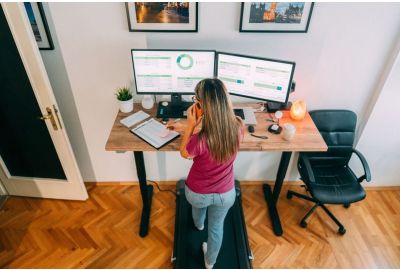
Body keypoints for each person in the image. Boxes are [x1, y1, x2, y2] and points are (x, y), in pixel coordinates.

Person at [177, 78, 243, 269]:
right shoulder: (238, 127)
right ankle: (210, 262)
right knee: (217, 228)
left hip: (197, 194)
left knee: (198, 211)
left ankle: (198, 225)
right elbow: (218, 132)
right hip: (226, 195)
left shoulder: (199, 140)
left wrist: (190, 124)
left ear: (201, 105)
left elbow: (184, 153)